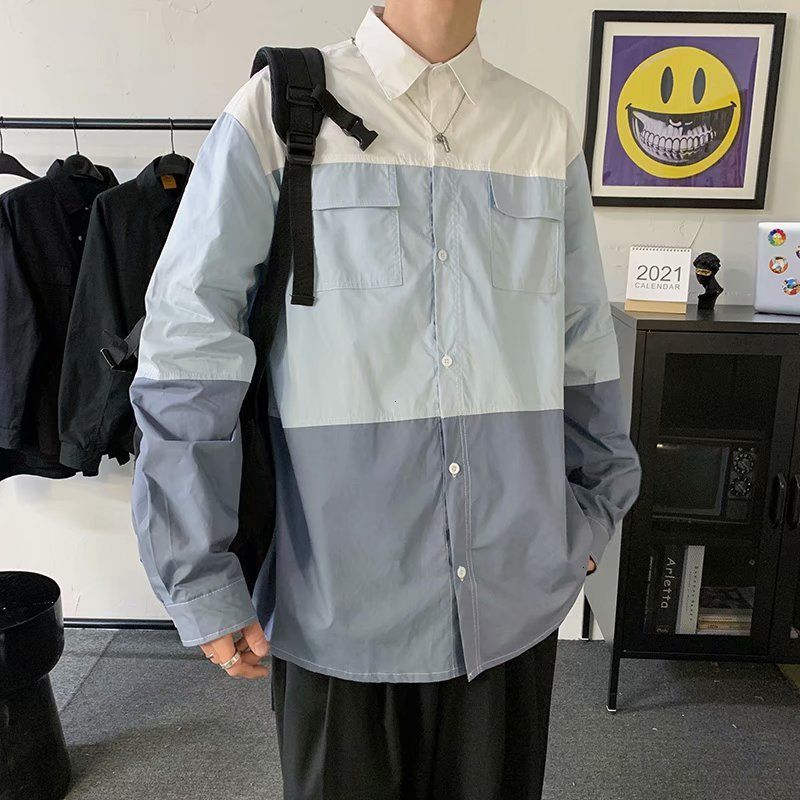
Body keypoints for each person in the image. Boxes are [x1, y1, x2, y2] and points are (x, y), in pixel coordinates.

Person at [129, 2, 642, 798]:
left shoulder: (543, 132)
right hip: (339, 605)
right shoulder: (276, 113)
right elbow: (190, 344)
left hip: (511, 600)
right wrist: (197, 568)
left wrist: (594, 514)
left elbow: (582, 341)